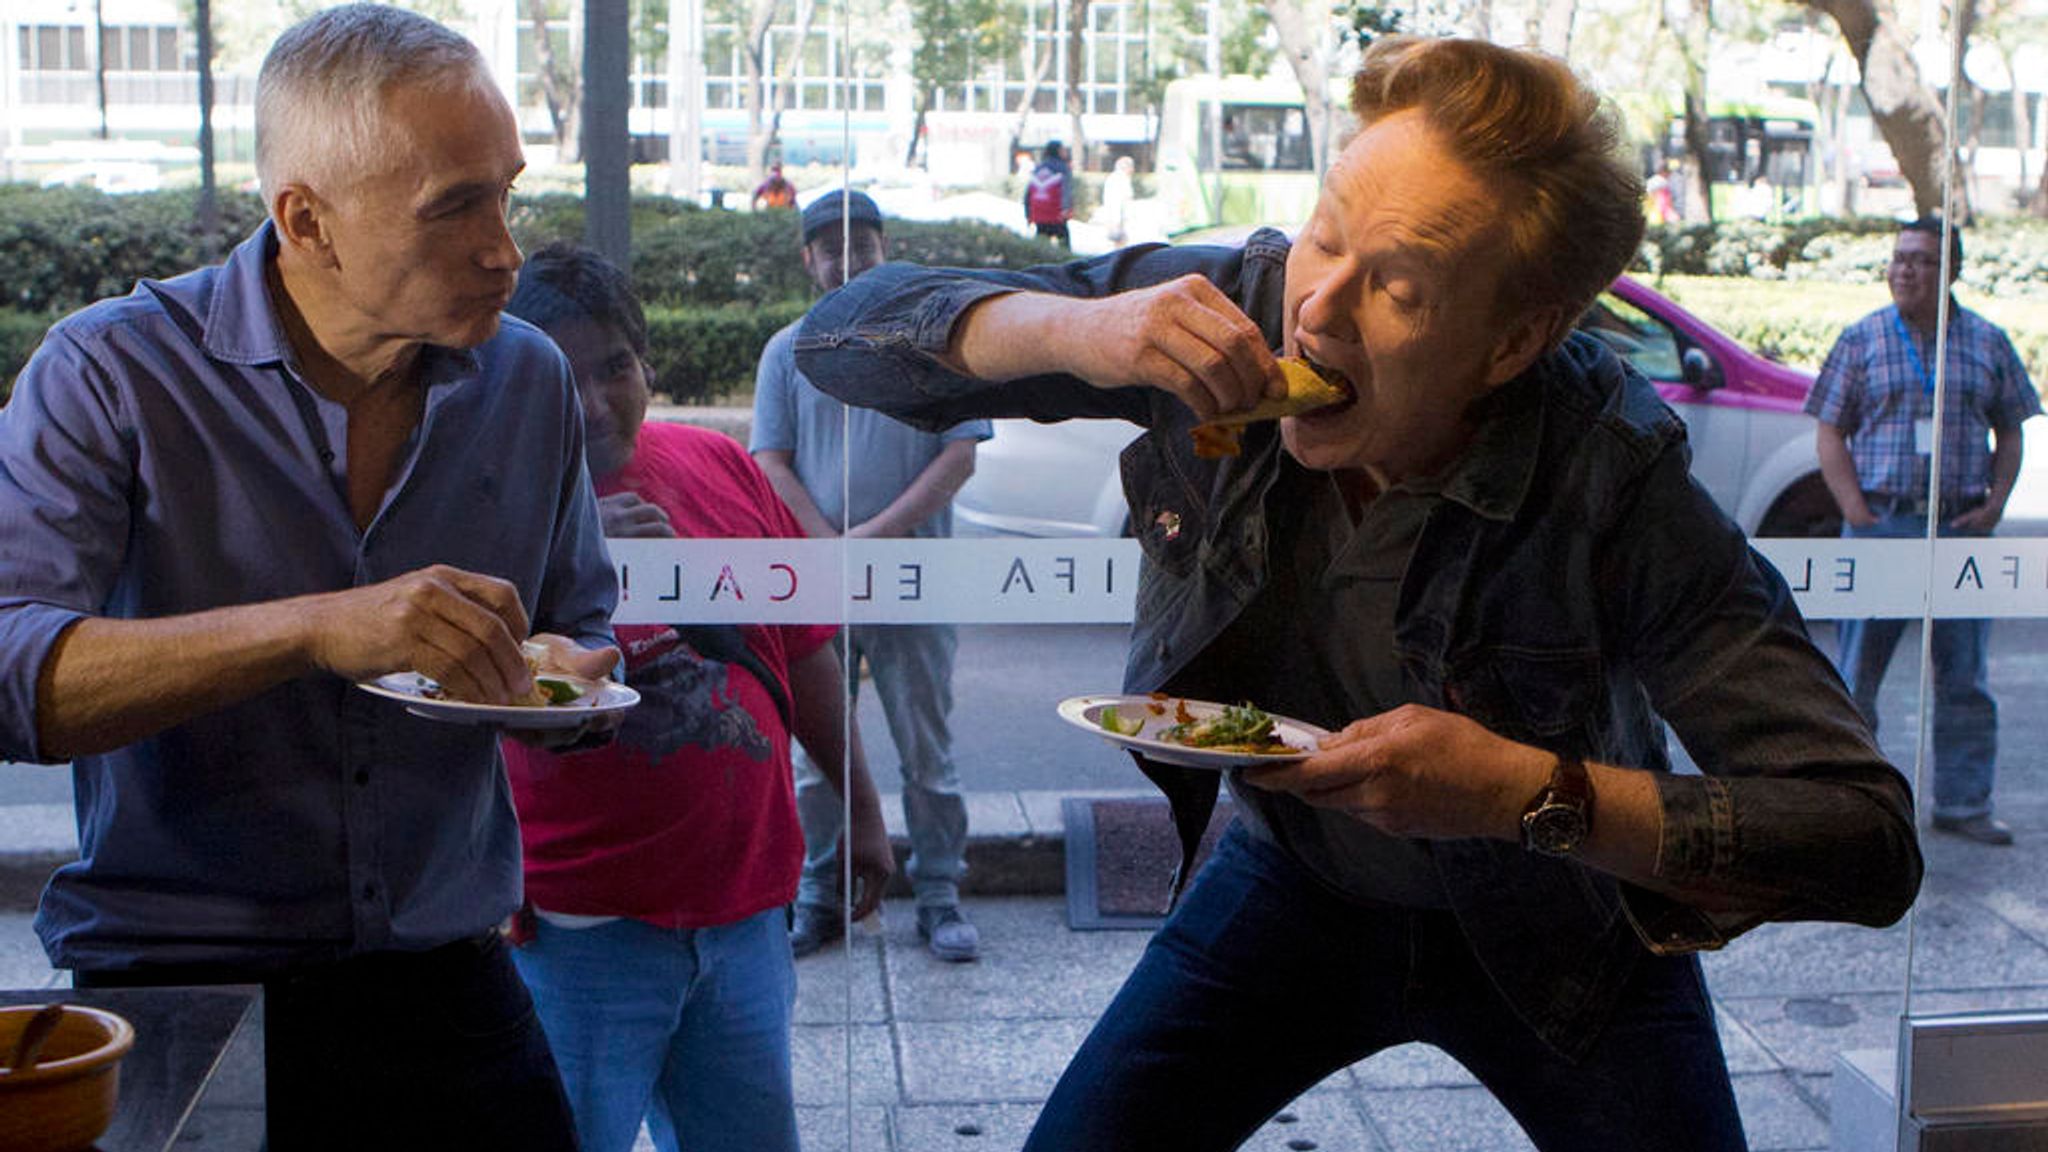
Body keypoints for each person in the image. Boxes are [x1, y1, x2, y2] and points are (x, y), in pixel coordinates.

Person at [793, 36, 1923, 1151]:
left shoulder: (1609, 468)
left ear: (1511, 340)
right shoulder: (1228, 310)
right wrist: (1084, 331)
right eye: (1323, 237)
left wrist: (1528, 792)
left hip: (1560, 918)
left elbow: (1859, 836)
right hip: (1294, 881)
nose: (1316, 313)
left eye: (1396, 286)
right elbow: (838, 340)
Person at [0, 6, 621, 1148]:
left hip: (450, 978)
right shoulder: (112, 371)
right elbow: (10, 674)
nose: (505, 249)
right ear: (307, 221)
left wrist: (567, 686)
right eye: (455, 207)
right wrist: (315, 629)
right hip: (177, 984)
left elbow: (576, 622)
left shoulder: (525, 379)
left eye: (507, 192)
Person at [500, 244, 895, 1152]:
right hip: (573, 934)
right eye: (565, 378)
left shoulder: (723, 466)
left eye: (616, 367)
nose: (598, 402)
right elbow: (442, 686)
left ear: (647, 366)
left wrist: (864, 810)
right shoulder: (490, 502)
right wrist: (563, 544)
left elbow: (802, 654)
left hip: (749, 913)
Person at [751, 189, 994, 963]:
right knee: (815, 755)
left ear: (884, 249)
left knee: (929, 750)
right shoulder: (786, 350)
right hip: (821, 585)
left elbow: (959, 456)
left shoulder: (931, 347)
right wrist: (828, 544)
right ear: (808, 259)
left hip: (918, 580)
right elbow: (771, 461)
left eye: (862, 243)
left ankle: (940, 895)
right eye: (830, 246)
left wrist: (872, 538)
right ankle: (818, 896)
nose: (847, 257)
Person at [1806, 217, 2040, 847]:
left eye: (1923, 261)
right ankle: (1854, 808)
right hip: (1883, 525)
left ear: (1953, 271)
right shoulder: (1862, 340)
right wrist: (1856, 511)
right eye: (1899, 258)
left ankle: (1965, 804)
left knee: (1964, 674)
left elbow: (2014, 427)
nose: (1905, 270)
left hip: (1959, 530)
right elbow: (1829, 429)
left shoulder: (1987, 342)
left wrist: (1994, 506)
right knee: (1856, 677)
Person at [1024, 141, 1074, 248]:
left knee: (1041, 246)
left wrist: (1028, 214)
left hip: (1039, 213)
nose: (1065, 152)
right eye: (1063, 149)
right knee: (1064, 245)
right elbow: (1066, 191)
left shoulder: (1038, 168)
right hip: (1056, 213)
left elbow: (1028, 193)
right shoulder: (1063, 168)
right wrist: (1066, 210)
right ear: (1058, 151)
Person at [1099, 154, 1136, 246]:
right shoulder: (1120, 179)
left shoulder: (1115, 178)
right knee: (1120, 244)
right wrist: (1118, 221)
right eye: (1131, 167)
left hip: (1117, 217)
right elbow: (1117, 201)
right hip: (1118, 218)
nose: (1133, 170)